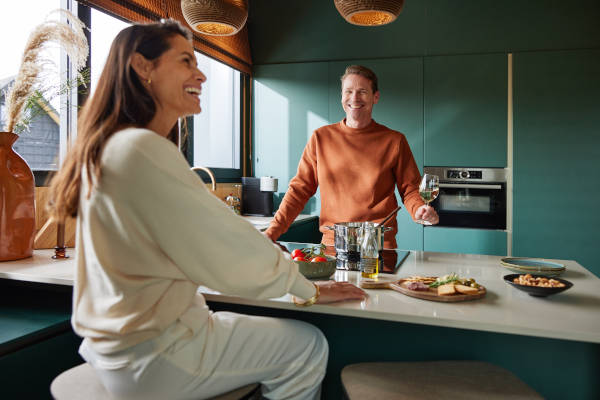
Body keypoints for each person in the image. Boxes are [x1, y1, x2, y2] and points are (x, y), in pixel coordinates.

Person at [47, 20, 366, 400]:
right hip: (155, 356)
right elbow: (225, 246)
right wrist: (305, 289)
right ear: (142, 66)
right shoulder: (141, 150)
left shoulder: (111, 148)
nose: (201, 74)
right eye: (185, 61)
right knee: (308, 345)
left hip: (114, 349)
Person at [265, 65, 439, 248]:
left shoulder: (394, 140)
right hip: (333, 244)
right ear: (342, 96)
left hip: (377, 244)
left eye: (362, 91)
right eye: (348, 91)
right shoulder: (320, 138)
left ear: (375, 97)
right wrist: (272, 232)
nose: (354, 98)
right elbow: (299, 190)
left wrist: (419, 209)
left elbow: (410, 189)